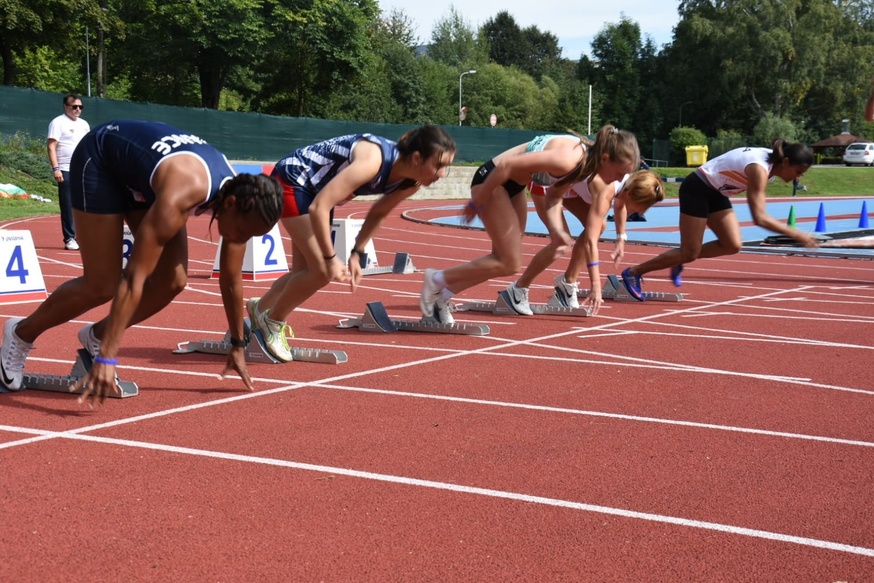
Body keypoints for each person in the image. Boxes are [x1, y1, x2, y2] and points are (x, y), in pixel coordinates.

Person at [0, 120, 283, 406]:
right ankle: (21, 333)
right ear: (231, 204)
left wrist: (237, 344)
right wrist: (108, 356)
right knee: (103, 284)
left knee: (173, 281)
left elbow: (232, 279)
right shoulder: (183, 193)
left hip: (139, 176)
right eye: (244, 232)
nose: (241, 240)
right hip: (101, 160)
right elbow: (135, 276)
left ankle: (98, 335)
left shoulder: (242, 198)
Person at [247, 126, 456, 362]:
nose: (442, 173)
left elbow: (379, 212)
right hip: (294, 178)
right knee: (321, 271)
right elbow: (320, 207)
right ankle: (272, 322)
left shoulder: (411, 181)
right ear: (417, 158)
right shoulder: (372, 161)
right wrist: (330, 258)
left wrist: (356, 253)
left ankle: (259, 308)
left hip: (314, 190)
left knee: (303, 273)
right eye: (439, 165)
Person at [419, 131, 591, 324]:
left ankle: (440, 298)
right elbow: (506, 165)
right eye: (617, 173)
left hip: (514, 187)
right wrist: (478, 200)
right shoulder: (569, 158)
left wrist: (558, 230)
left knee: (501, 263)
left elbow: (553, 195)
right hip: (493, 180)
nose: (614, 180)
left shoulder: (583, 163)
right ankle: (436, 279)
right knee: (510, 262)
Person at [619, 139, 818, 301]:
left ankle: (679, 257)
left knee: (732, 244)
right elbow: (759, 217)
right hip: (698, 188)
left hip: (715, 192)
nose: (797, 178)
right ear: (785, 162)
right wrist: (796, 234)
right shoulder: (759, 168)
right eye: (798, 172)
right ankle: (633, 272)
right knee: (689, 252)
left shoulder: (771, 164)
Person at [505, 126, 663, 316]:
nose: (640, 212)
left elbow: (620, 205)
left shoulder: (624, 180)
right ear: (632, 195)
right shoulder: (606, 190)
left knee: (600, 225)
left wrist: (621, 237)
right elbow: (590, 241)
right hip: (546, 183)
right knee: (561, 244)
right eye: (641, 207)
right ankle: (518, 290)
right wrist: (595, 284)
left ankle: (567, 282)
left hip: (569, 186)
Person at [47, 93, 90, 251]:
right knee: (67, 204)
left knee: (83, 204)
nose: (77, 109)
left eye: (80, 107)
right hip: (65, 168)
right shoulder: (58, 123)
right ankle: (69, 238)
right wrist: (56, 168)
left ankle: (83, 236)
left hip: (83, 169)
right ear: (66, 106)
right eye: (74, 107)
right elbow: (51, 146)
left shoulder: (84, 124)